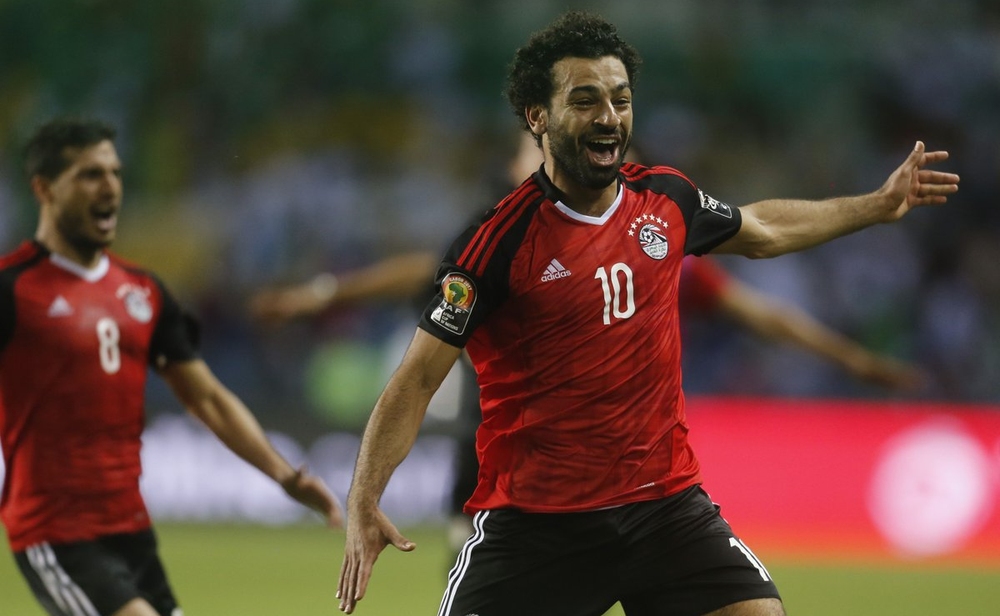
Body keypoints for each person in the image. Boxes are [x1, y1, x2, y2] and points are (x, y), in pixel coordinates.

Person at [335, 10, 959, 616]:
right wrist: (364, 499)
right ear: (537, 117)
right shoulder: (496, 243)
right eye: (585, 100)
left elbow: (763, 229)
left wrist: (877, 205)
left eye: (621, 99)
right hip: (538, 528)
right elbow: (417, 380)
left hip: (665, 509)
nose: (609, 116)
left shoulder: (665, 198)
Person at [0, 117, 344, 616]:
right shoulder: (13, 289)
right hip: (55, 533)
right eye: (90, 175)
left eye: (115, 173)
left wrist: (284, 475)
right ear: (44, 189)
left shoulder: (143, 292)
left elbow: (207, 399)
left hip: (131, 531)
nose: (110, 187)